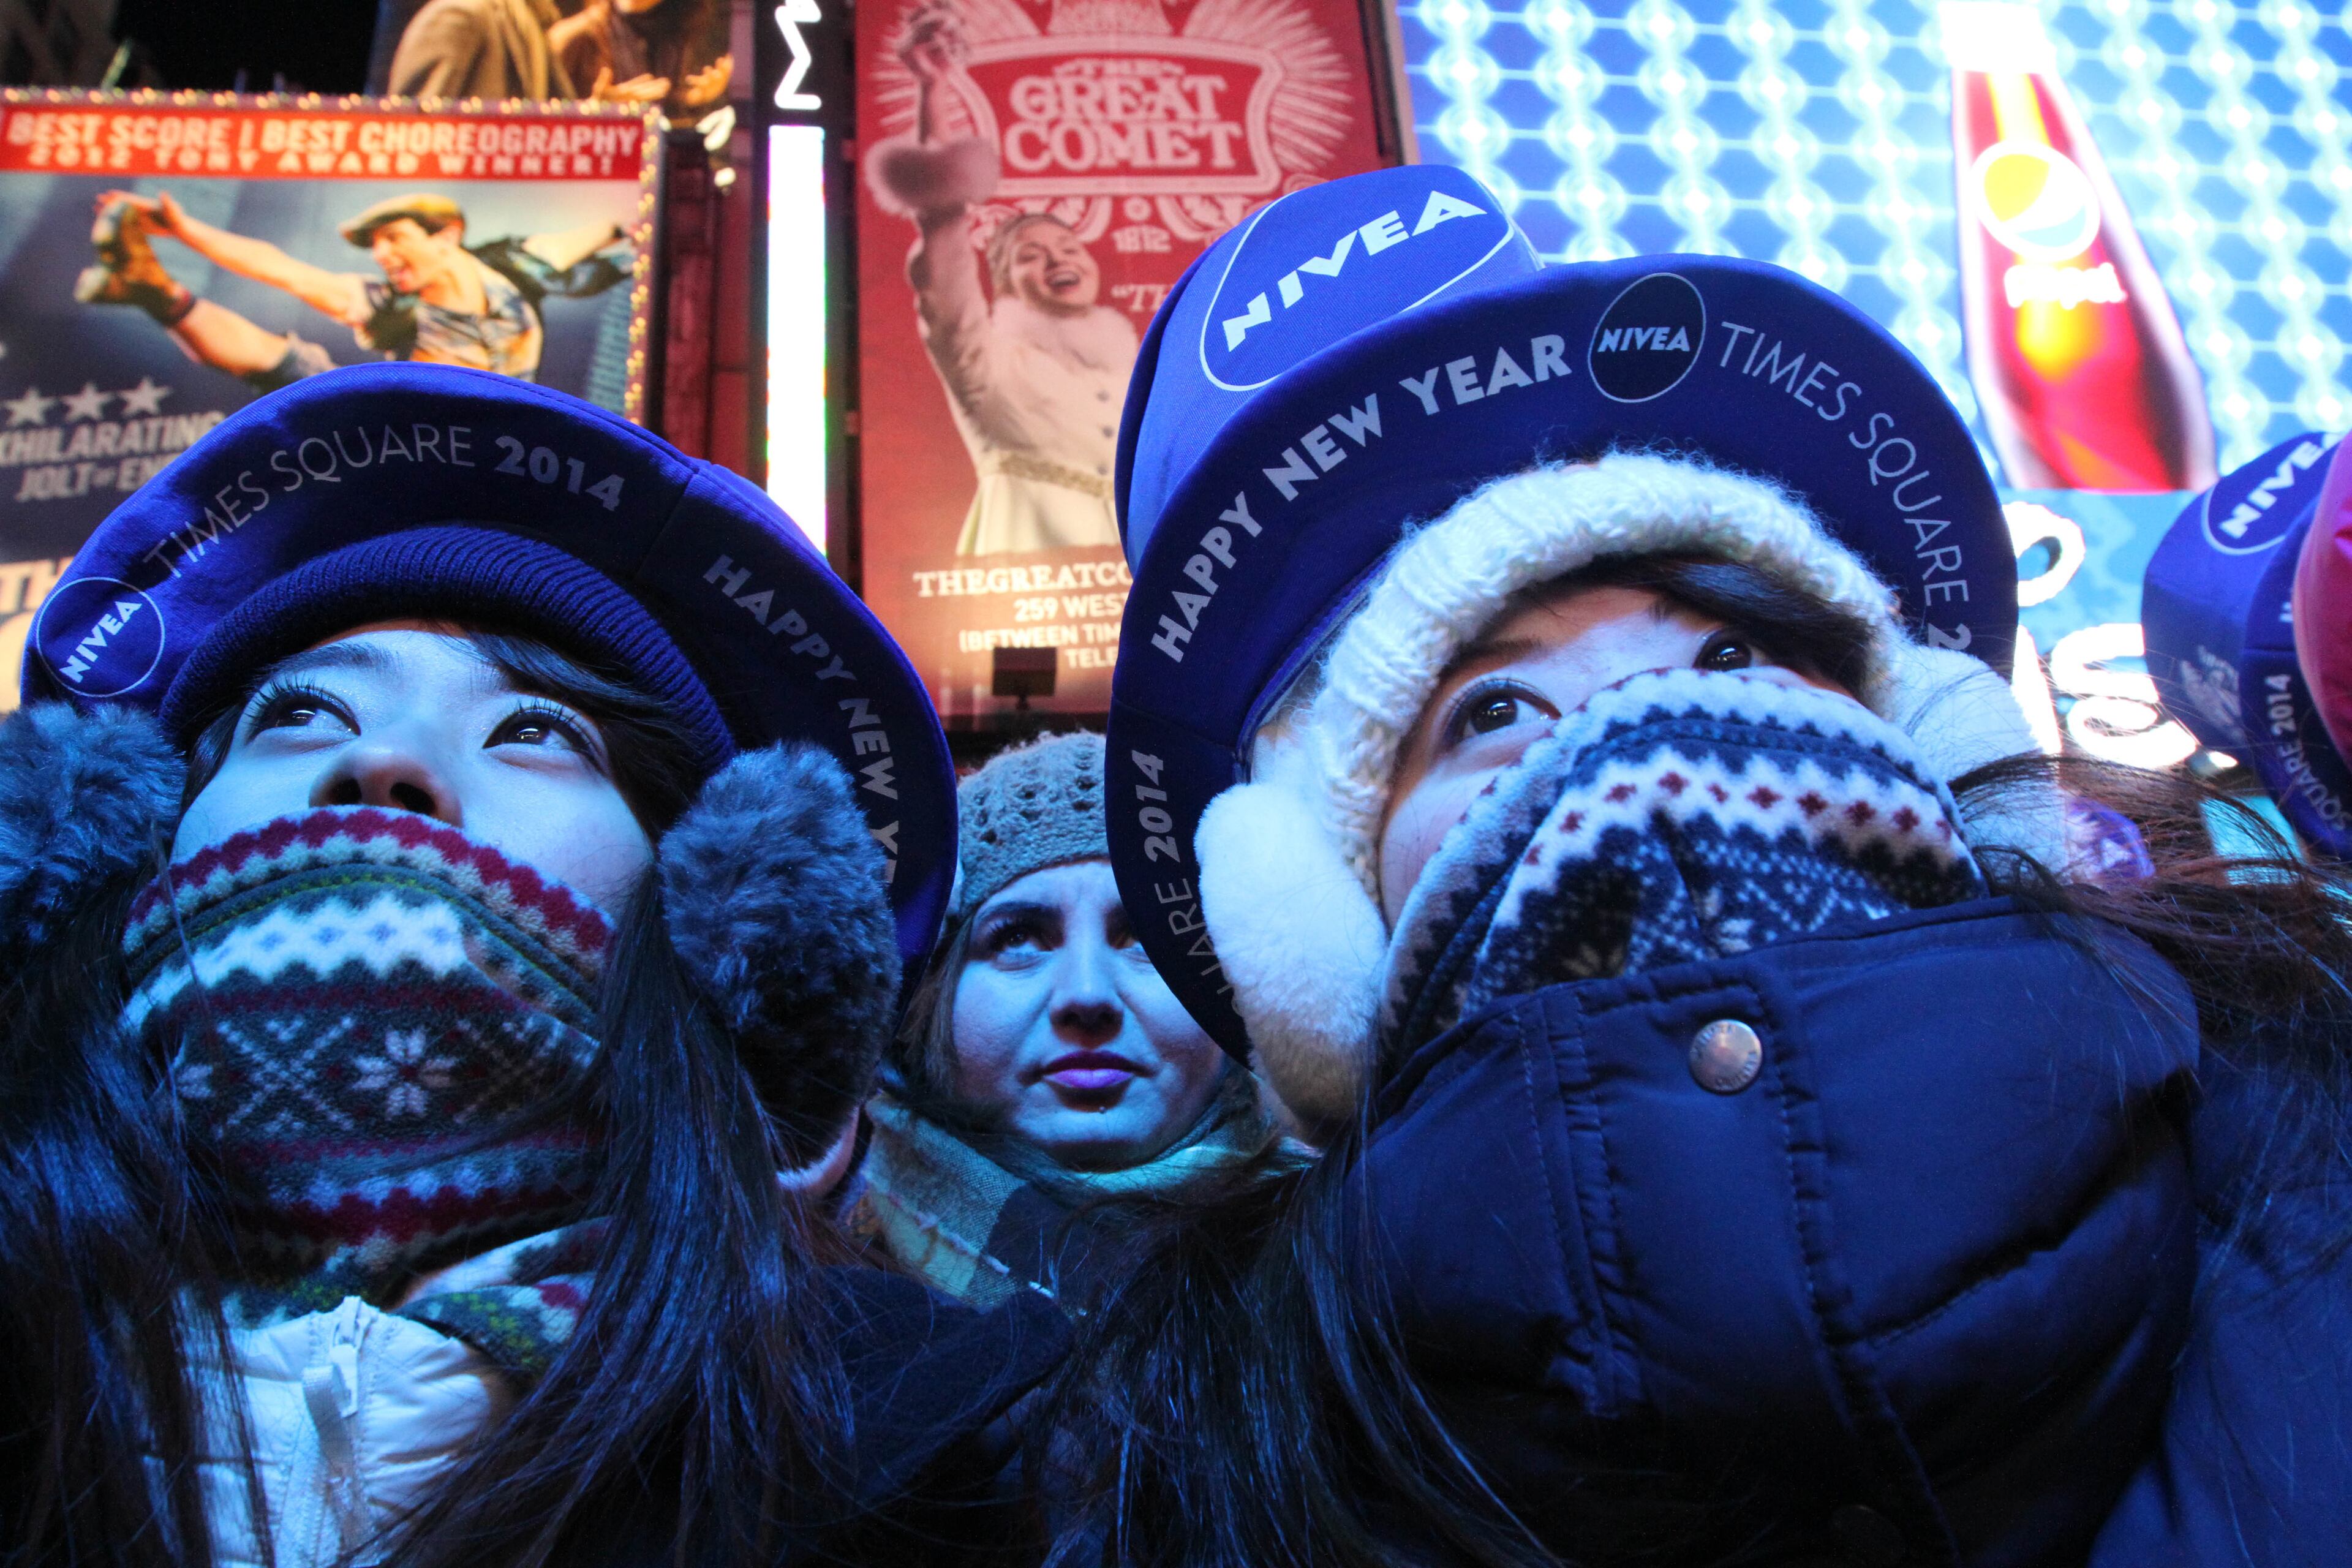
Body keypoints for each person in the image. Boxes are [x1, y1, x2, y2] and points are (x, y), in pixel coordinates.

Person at [1042, 165, 2352, 1564]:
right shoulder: (1194, 1466)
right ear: (1318, 939)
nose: (1640, 730)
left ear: (1933, 736)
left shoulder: (2309, 1129)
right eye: (1490, 710)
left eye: (1729, 652)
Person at [0, 363, 1060, 1567]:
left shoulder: (951, 1458)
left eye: (534, 729)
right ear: (121, 849)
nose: (387, 763)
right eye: (297, 714)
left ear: (718, 924)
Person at [845, 730, 1277, 1307]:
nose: (1087, 994)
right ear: (929, 1005)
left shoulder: (1358, 1257)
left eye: (1145, 935)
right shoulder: (813, 1300)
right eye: (1018, 937)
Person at [864, 1, 1137, 556]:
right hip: (1022, 569)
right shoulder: (986, 362)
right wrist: (933, 89)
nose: (1058, 259)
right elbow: (942, 224)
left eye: (1068, 247)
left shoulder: (1131, 371)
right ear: (1006, 285)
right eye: (1030, 255)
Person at [74, 190, 632, 391]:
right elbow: (281, 269)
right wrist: (185, 229)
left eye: (395, 238)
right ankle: (156, 291)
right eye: (375, 246)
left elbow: (597, 231)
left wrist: (627, 228)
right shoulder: (392, 308)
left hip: (510, 452)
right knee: (303, 376)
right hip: (421, 442)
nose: (384, 256)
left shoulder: (512, 265)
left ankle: (153, 289)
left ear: (448, 237)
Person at [551, 0, 735, 121]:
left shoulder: (688, 24)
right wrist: (593, 113)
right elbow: (537, 128)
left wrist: (695, 101)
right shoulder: (573, 37)